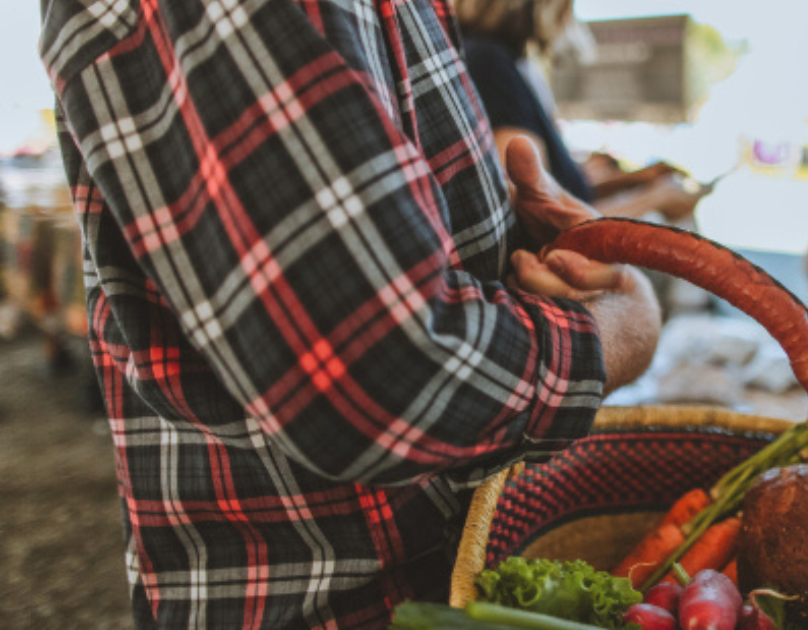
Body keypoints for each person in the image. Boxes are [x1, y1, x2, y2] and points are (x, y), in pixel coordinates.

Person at [39, 0, 660, 627]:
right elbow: (382, 367)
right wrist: (620, 332)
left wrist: (517, 241)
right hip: (334, 605)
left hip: (425, 579)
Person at [454, 0, 704, 222]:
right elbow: (543, 215)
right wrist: (658, 198)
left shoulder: (498, 59)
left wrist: (635, 179)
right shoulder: (490, 63)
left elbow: (562, 191)